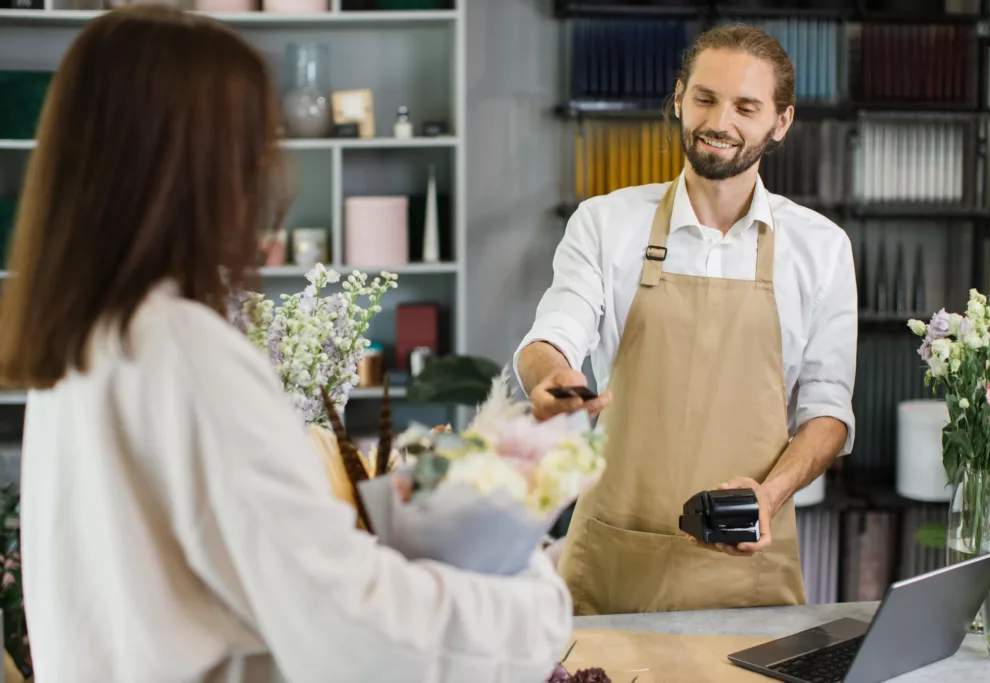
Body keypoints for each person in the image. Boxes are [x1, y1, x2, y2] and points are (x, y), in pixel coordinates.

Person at [0, 7, 571, 682]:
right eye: (252, 144)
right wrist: (532, 603)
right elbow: (354, 632)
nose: (267, 174)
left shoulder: (82, 341)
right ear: (197, 165)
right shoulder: (183, 351)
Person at [516, 24, 857, 616]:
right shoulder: (604, 223)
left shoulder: (821, 248)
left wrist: (770, 495)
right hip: (616, 559)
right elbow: (556, 332)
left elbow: (827, 409)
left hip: (746, 561)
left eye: (746, 106)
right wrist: (549, 378)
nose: (719, 121)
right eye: (704, 98)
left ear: (780, 122)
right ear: (678, 98)